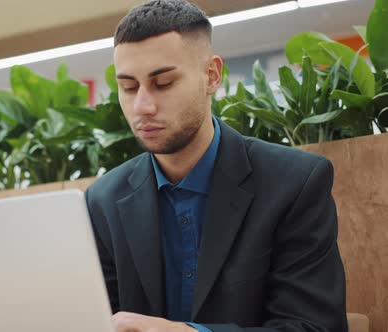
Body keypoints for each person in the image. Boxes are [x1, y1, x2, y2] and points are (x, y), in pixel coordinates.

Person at [84, 1, 348, 332]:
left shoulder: (294, 183)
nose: (143, 106)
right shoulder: (103, 201)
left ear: (211, 76)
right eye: (128, 87)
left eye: (163, 83)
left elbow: (315, 327)